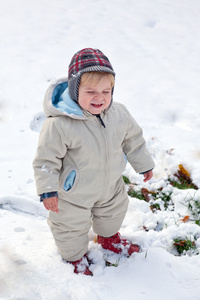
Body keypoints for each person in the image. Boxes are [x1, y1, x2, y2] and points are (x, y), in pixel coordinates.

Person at [33, 48, 155, 276]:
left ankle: (108, 238)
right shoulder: (59, 124)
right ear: (75, 89)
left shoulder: (119, 113)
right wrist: (48, 190)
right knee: (69, 227)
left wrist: (143, 163)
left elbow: (133, 139)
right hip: (72, 194)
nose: (99, 97)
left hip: (110, 187)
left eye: (106, 91)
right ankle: (74, 257)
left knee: (114, 212)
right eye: (90, 91)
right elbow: (45, 160)